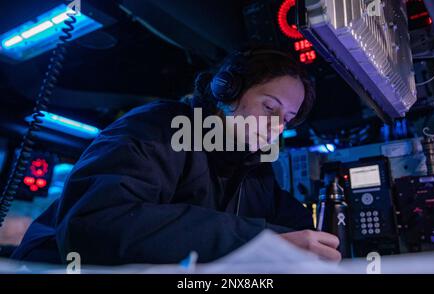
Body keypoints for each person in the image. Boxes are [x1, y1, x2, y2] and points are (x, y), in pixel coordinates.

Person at [12, 48, 341, 265]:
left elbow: (291, 226)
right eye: (269, 107)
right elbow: (96, 224)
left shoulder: (254, 169)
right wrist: (261, 239)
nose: (276, 127)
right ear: (226, 92)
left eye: (286, 118)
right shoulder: (155, 129)